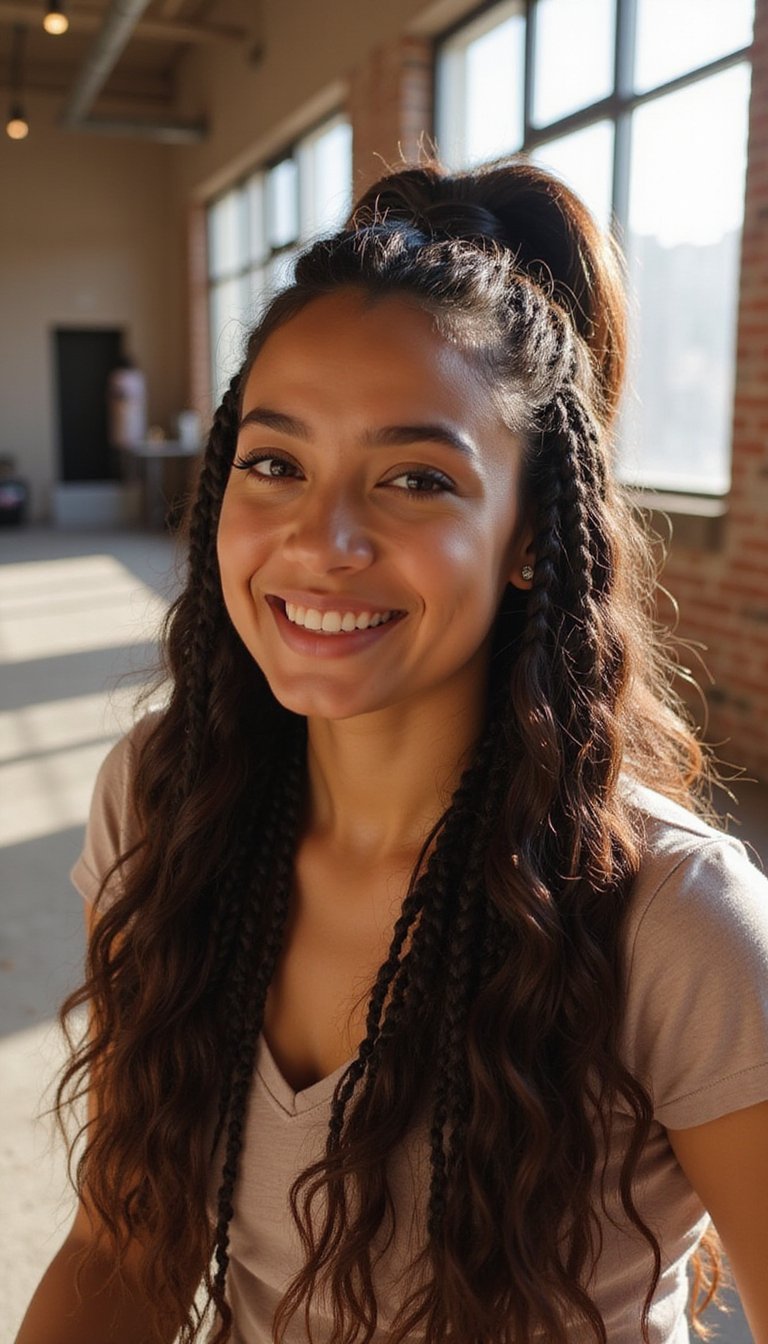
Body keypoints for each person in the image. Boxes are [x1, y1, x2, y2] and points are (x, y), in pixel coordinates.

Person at [14, 160, 768, 1344]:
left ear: (530, 539)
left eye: (418, 479)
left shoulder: (677, 916)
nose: (323, 540)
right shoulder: (159, 800)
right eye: (276, 464)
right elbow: (125, 1248)